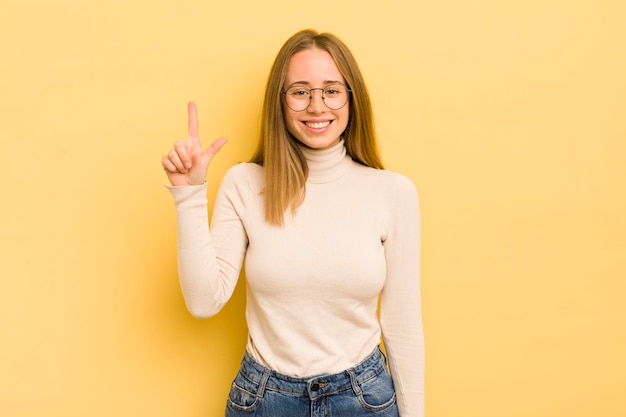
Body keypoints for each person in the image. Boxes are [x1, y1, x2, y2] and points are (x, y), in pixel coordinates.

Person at [161, 29, 424, 417]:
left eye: (331, 90)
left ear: (352, 99)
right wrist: (189, 193)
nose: (317, 106)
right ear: (280, 103)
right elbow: (204, 301)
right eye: (300, 91)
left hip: (363, 400)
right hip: (265, 399)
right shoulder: (245, 184)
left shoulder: (393, 192)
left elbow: (402, 323)